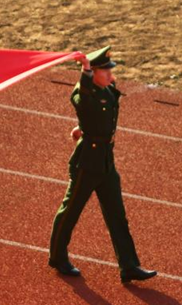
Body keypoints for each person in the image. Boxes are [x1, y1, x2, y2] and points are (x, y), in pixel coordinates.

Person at [48, 46, 157, 283]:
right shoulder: (83, 91)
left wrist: (83, 127)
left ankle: (129, 266)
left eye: (110, 69)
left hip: (106, 161)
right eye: (104, 70)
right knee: (71, 211)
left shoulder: (107, 89)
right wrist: (86, 71)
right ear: (93, 72)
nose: (110, 74)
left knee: (117, 215)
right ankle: (57, 257)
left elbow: (96, 115)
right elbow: (83, 101)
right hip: (87, 163)